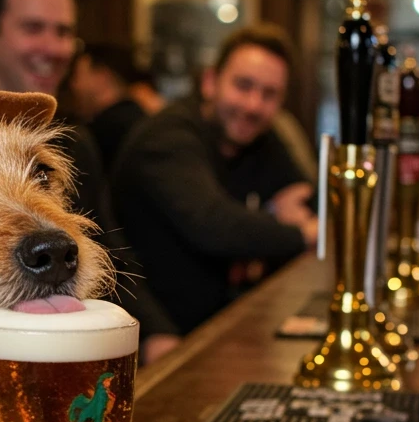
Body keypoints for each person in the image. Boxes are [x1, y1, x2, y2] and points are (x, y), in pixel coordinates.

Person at [0, 0, 180, 363]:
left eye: (64, 32)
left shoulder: (72, 139)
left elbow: (106, 245)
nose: (53, 48)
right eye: (33, 28)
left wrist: (156, 334)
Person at [112, 25, 317, 336]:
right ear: (210, 82)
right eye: (243, 85)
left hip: (221, 323)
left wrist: (269, 228)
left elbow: (308, 200)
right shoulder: (167, 137)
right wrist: (298, 232)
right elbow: (215, 224)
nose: (253, 105)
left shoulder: (260, 138)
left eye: (269, 94)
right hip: (151, 330)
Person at [68, 43, 165, 173]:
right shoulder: (140, 117)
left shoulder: (100, 132)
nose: (73, 85)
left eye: (77, 75)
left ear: (102, 76)